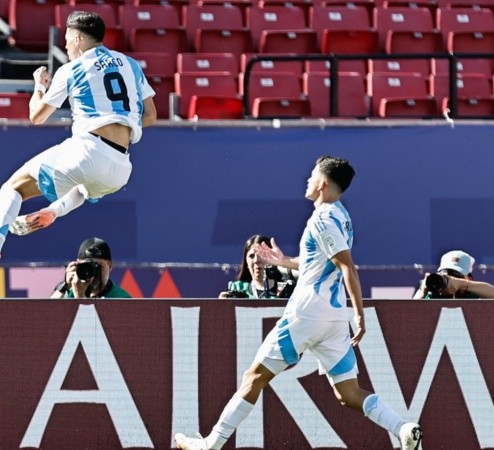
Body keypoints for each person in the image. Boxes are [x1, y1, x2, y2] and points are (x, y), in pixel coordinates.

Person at [175, 156, 422, 450]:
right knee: (348, 393)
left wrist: (360, 314)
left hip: (306, 314)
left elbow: (347, 267)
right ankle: (403, 428)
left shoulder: (323, 218)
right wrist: (285, 262)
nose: (307, 180)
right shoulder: (341, 215)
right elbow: (319, 264)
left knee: (254, 377)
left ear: (322, 184)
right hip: (332, 319)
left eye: (311, 176)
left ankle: (210, 445)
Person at [0, 10, 157, 271]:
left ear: (78, 38)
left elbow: (37, 116)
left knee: (12, 188)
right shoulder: (130, 64)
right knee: (83, 187)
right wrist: (120, 124)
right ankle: (53, 212)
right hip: (121, 167)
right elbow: (150, 115)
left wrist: (39, 86)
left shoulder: (72, 69)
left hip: (89, 148)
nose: (66, 45)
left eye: (67, 39)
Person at [50, 237, 131, 299]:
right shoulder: (69, 291)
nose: (93, 273)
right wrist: (64, 286)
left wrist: (79, 296)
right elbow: (45, 315)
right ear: (77, 265)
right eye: (87, 266)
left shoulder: (122, 299)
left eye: (98, 266)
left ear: (109, 266)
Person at [219, 234, 296, 299]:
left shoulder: (287, 291)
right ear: (246, 262)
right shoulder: (237, 288)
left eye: (262, 255)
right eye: (251, 256)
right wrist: (222, 306)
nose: (256, 260)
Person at [413, 250, 494, 299]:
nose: (450, 279)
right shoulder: (431, 289)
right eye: (446, 274)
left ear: (469, 278)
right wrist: (422, 292)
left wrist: (461, 284)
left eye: (457, 275)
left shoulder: (471, 293)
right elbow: (410, 311)